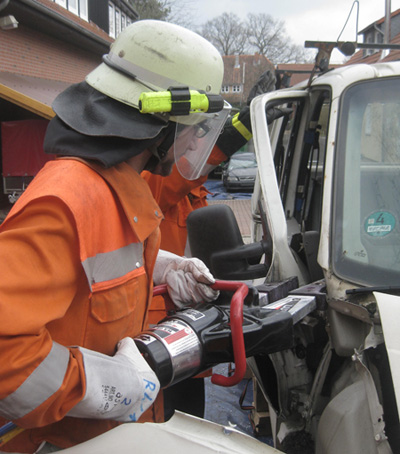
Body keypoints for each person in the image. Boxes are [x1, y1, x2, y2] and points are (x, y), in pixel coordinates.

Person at [0, 20, 229, 453]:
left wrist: (163, 266)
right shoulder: (67, 202)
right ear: (161, 123)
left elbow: (90, 279)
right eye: (194, 128)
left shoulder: (118, 186)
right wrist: (109, 385)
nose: (193, 143)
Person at [142, 70, 279, 419]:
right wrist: (240, 128)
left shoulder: (190, 195)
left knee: (189, 421)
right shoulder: (154, 182)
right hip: (155, 340)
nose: (196, 144)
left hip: (184, 333)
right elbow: (189, 167)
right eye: (196, 132)